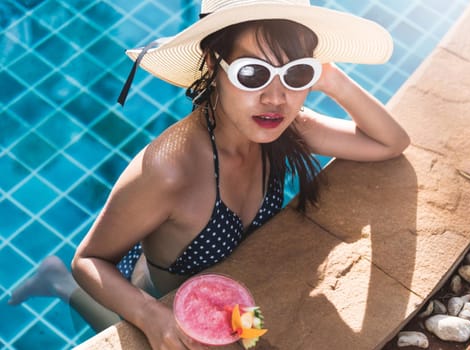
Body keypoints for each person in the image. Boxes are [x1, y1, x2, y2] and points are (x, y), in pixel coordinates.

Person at [9, 0, 410, 349]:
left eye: (296, 75)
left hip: (236, 297)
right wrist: (150, 317)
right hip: (163, 298)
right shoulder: (171, 171)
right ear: (212, 66)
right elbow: (91, 259)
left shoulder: (284, 125)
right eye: (252, 74)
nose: (275, 97)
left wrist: (331, 79)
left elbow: (391, 142)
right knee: (118, 324)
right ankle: (55, 280)